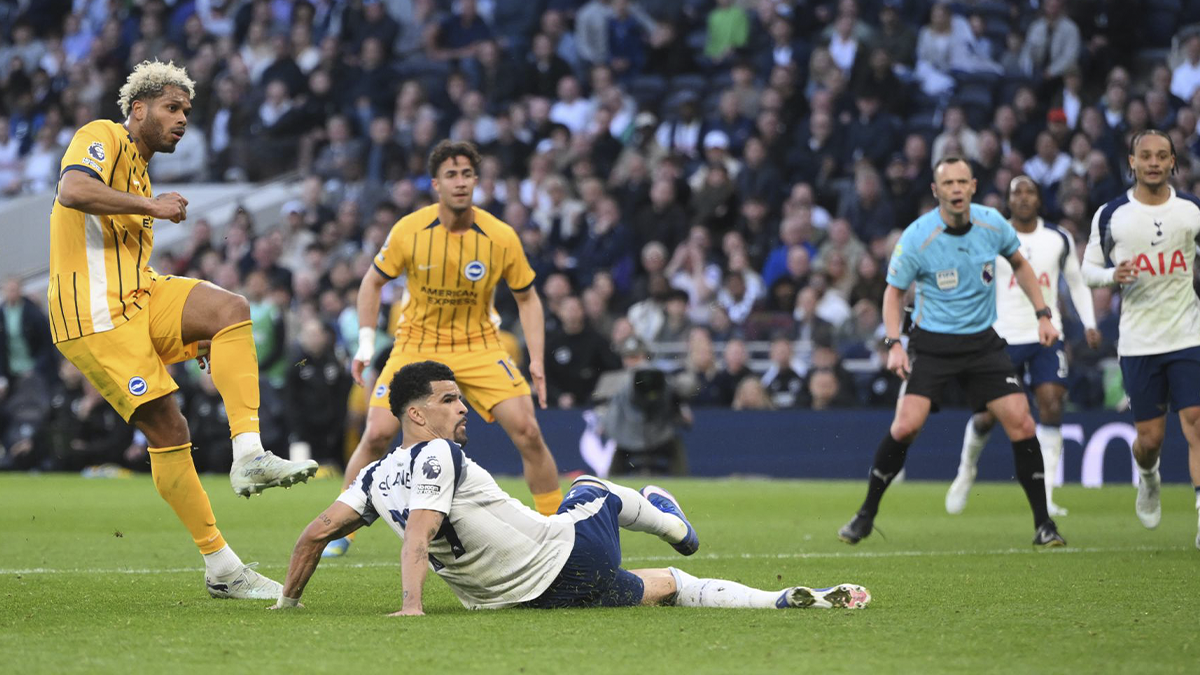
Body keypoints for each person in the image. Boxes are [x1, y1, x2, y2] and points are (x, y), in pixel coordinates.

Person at [271, 361, 871, 613]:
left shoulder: (373, 477)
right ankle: (674, 524)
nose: (463, 411)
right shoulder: (435, 452)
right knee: (591, 488)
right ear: (415, 415)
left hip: (522, 601)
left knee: (663, 588)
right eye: (449, 400)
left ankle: (781, 600)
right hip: (568, 562)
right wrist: (410, 606)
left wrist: (288, 603)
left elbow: (313, 537)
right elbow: (420, 535)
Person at [48, 61, 316, 599]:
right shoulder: (101, 135)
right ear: (138, 109)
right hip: (93, 318)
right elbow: (74, 190)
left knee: (228, 311)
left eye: (187, 112)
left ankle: (249, 454)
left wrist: (192, 336)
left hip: (139, 297)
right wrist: (150, 205)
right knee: (171, 430)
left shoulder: (143, 171)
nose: (182, 120)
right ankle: (222, 566)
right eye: (172, 108)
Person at [323, 140, 563, 558]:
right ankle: (342, 529)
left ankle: (560, 526)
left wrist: (537, 359)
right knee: (378, 432)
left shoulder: (500, 235)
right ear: (436, 183)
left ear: (477, 181)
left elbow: (528, 297)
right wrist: (365, 344)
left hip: (479, 344)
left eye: (467, 174)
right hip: (416, 342)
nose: (460, 182)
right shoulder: (409, 230)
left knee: (527, 431)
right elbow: (372, 282)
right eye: (451, 175)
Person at [837, 157, 1067, 548]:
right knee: (906, 426)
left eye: (963, 182)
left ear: (973, 186)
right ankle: (865, 514)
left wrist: (1043, 314)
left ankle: (1044, 524)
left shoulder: (993, 224)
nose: (957, 190)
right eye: (949, 184)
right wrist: (894, 345)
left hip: (982, 342)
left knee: (1023, 424)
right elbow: (892, 293)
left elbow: (1021, 266)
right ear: (936, 190)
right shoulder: (917, 237)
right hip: (933, 343)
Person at [946, 176, 1101, 517]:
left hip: (1046, 333)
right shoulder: (990, 234)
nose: (1024, 198)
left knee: (1051, 403)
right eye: (1017, 192)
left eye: (1030, 192)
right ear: (1009, 200)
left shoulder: (1057, 238)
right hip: (1001, 336)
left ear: (1039, 200)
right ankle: (966, 470)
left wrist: (1089, 322)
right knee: (986, 417)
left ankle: (1045, 494)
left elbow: (1075, 281)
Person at [1082, 130, 1200, 549]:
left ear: (1173, 163)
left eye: (1162, 156)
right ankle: (1148, 478)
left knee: (1196, 423)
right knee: (1149, 441)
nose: (1153, 162)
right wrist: (1112, 275)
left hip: (1188, 335)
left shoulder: (1191, 210)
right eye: (1145, 156)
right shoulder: (1111, 215)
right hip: (1139, 343)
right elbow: (1088, 269)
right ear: (1131, 162)